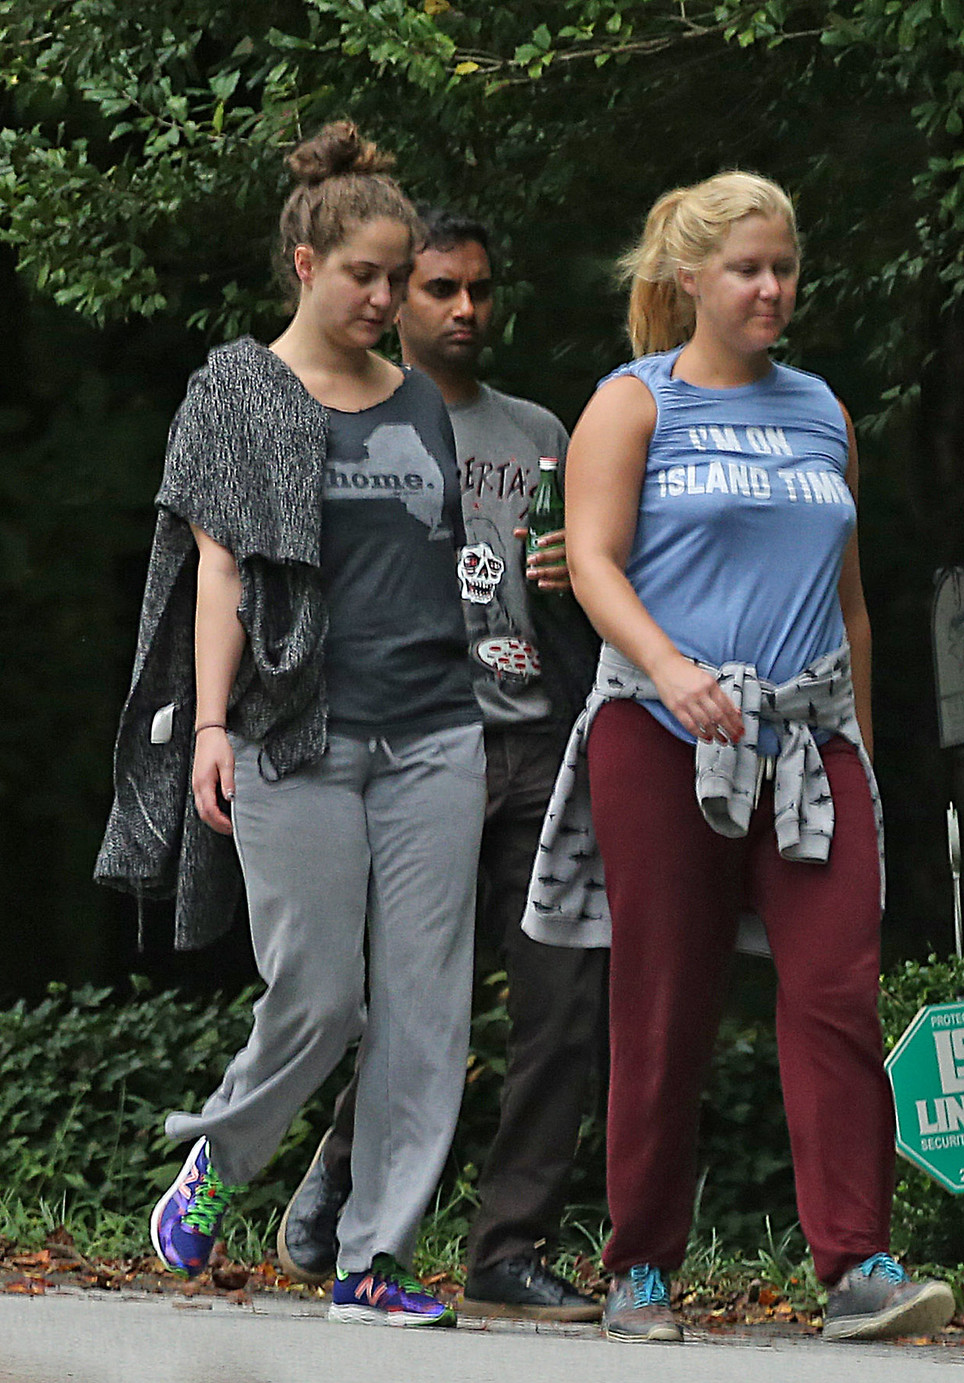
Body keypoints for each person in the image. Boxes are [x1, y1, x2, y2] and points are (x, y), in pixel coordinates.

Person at [522, 172, 954, 1343]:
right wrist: (669, 668)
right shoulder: (634, 402)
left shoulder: (822, 411)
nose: (771, 288)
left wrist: (859, 748)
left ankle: (856, 1262)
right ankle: (639, 1266)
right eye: (747, 269)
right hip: (662, 733)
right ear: (691, 278)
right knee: (665, 1000)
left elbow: (850, 603)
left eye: (784, 268)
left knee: (835, 989)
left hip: (809, 741)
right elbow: (593, 561)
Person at [96, 121, 485, 1328]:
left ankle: (373, 1256)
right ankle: (218, 1159)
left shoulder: (420, 401)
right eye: (365, 273)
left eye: (398, 275)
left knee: (428, 1010)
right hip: (296, 734)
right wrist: (211, 726)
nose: (385, 297)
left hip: (436, 733)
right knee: (321, 997)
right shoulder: (236, 392)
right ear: (308, 264)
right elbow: (217, 571)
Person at [275, 208, 604, 1321]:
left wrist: (576, 570)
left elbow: (599, 580)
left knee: (565, 997)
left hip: (539, 738)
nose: (466, 308)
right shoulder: (348, 418)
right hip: (417, 738)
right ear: (392, 298)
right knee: (417, 995)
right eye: (440, 288)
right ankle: (345, 1176)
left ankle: (509, 1244)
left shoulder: (540, 430)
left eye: (480, 289)